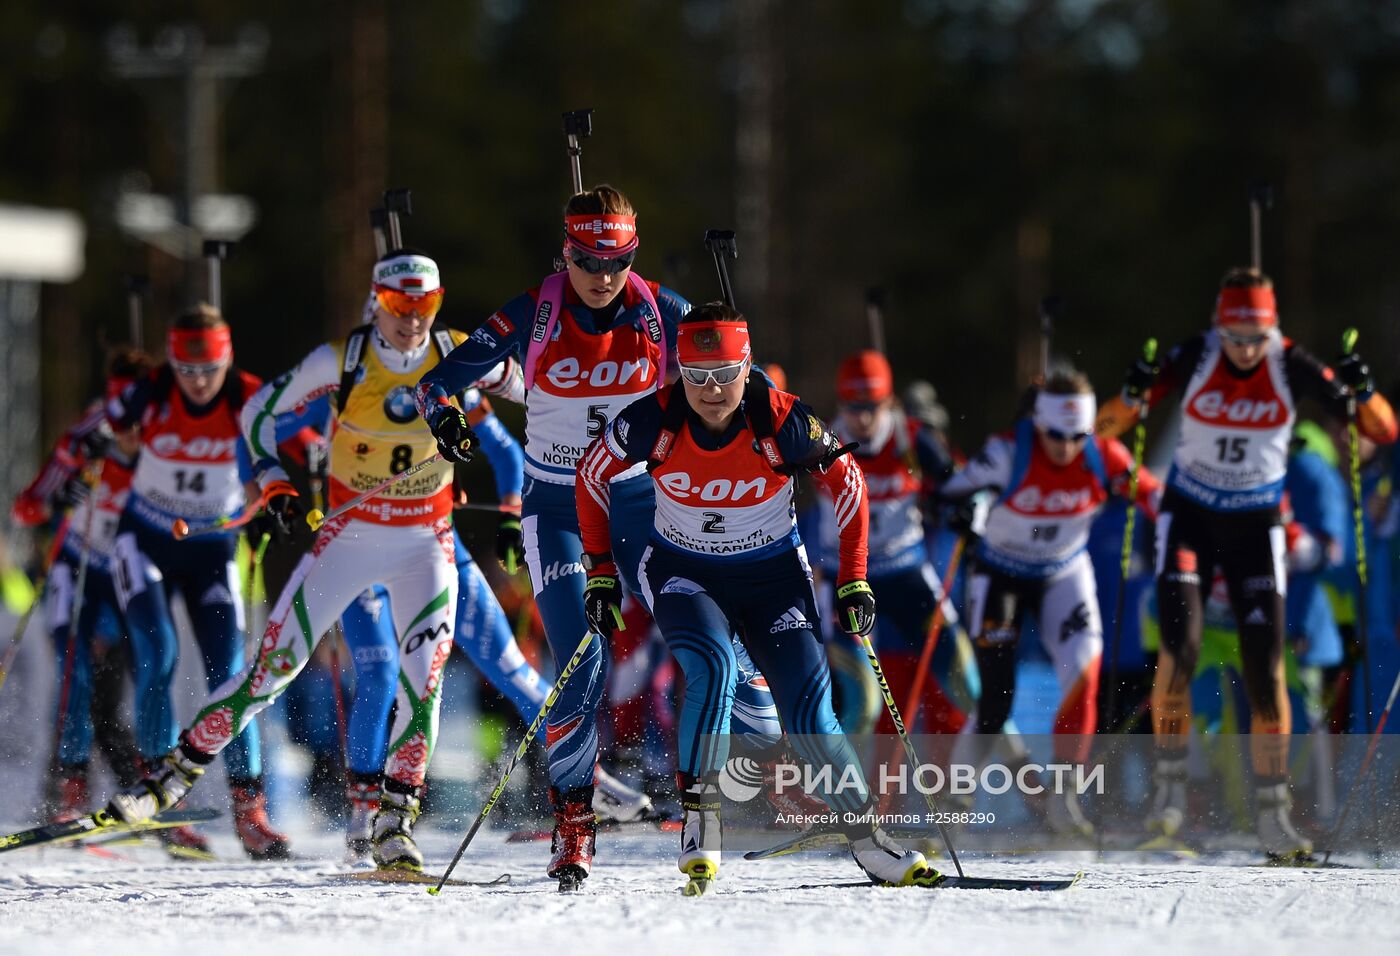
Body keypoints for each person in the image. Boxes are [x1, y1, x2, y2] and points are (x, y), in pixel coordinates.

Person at [104, 250, 513, 872]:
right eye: (402, 305)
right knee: (271, 672)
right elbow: (256, 414)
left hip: (425, 546)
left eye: (425, 304)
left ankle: (393, 823)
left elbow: (544, 383)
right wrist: (271, 479)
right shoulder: (340, 360)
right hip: (349, 541)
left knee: (420, 685)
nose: (413, 319)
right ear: (378, 301)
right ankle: (171, 776)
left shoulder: (457, 352)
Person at [418, 185, 778, 886]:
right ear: (567, 252)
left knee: (736, 683)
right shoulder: (536, 310)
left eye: (620, 260)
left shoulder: (661, 313)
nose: (605, 276)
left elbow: (740, 378)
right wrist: (445, 417)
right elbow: (439, 380)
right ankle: (575, 824)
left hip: (641, 504)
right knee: (582, 665)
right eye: (589, 260)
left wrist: (763, 420)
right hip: (556, 509)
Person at [575, 303, 939, 889]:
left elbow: (848, 483)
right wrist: (598, 569)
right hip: (685, 574)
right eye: (697, 376)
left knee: (809, 713)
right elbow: (590, 475)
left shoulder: (781, 418)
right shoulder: (654, 418)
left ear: (747, 365)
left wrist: (853, 578)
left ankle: (870, 842)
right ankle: (702, 819)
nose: (712, 390)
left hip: (773, 580)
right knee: (713, 669)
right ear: (680, 375)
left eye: (725, 373)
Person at [1097, 267, 1397, 858]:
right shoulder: (1195, 356)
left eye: (1254, 336)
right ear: (1218, 325)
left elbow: (1381, 430)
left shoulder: (1291, 364)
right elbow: (1106, 429)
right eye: (1234, 334)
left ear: (1272, 329)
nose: (1243, 348)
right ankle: (1170, 795)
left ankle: (1272, 812)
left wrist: (1363, 391)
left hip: (1256, 528)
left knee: (1265, 672)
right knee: (1178, 654)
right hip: (1189, 517)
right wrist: (1132, 395)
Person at [941, 370, 1161, 837]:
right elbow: (951, 493)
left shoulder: (1104, 456)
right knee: (997, 698)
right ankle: (955, 805)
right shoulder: (1006, 452)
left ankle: (1063, 802)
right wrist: (963, 510)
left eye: (1077, 436)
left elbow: (1158, 497)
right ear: (1039, 425)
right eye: (1056, 436)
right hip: (1001, 571)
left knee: (1085, 673)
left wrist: (1180, 528)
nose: (1066, 447)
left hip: (1062, 572)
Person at [104, 307, 287, 859]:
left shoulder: (247, 397)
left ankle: (249, 808)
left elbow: (292, 440)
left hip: (211, 549)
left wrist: (278, 491)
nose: (197, 381)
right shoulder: (151, 393)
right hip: (145, 542)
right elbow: (106, 426)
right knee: (157, 652)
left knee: (230, 671)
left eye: (207, 369)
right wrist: (113, 448)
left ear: (226, 359)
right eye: (186, 368)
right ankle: (161, 798)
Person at [11, 349, 153, 820]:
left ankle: (150, 792)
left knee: (128, 688)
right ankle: (68, 791)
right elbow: (26, 507)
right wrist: (58, 502)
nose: (126, 427)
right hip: (76, 571)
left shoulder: (162, 439)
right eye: (118, 412)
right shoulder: (85, 438)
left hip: (127, 577)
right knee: (77, 675)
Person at [826, 350, 962, 737]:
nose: (864, 419)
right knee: (864, 707)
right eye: (853, 408)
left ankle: (1024, 781)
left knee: (968, 686)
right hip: (847, 581)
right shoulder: (824, 439)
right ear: (841, 405)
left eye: (872, 407)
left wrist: (958, 507)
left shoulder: (911, 437)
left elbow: (963, 485)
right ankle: (845, 796)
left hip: (907, 574)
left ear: (889, 402)